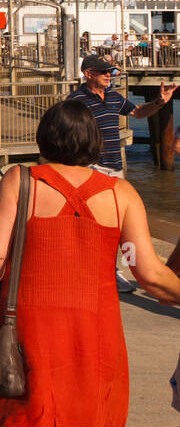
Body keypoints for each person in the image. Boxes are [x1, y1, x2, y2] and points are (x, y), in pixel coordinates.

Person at [0, 100, 180, 427]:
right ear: (94, 140)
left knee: (26, 406)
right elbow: (148, 273)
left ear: (45, 137)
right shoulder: (121, 194)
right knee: (91, 409)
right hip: (96, 328)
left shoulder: (20, 180)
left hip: (28, 322)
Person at [67, 54, 177, 292]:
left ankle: (110, 269)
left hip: (115, 168)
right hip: (90, 168)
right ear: (88, 74)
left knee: (117, 222)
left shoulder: (115, 97)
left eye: (110, 72)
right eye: (104, 71)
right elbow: (66, 131)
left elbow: (137, 112)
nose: (109, 75)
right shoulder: (75, 101)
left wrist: (159, 102)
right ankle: (97, 268)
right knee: (93, 222)